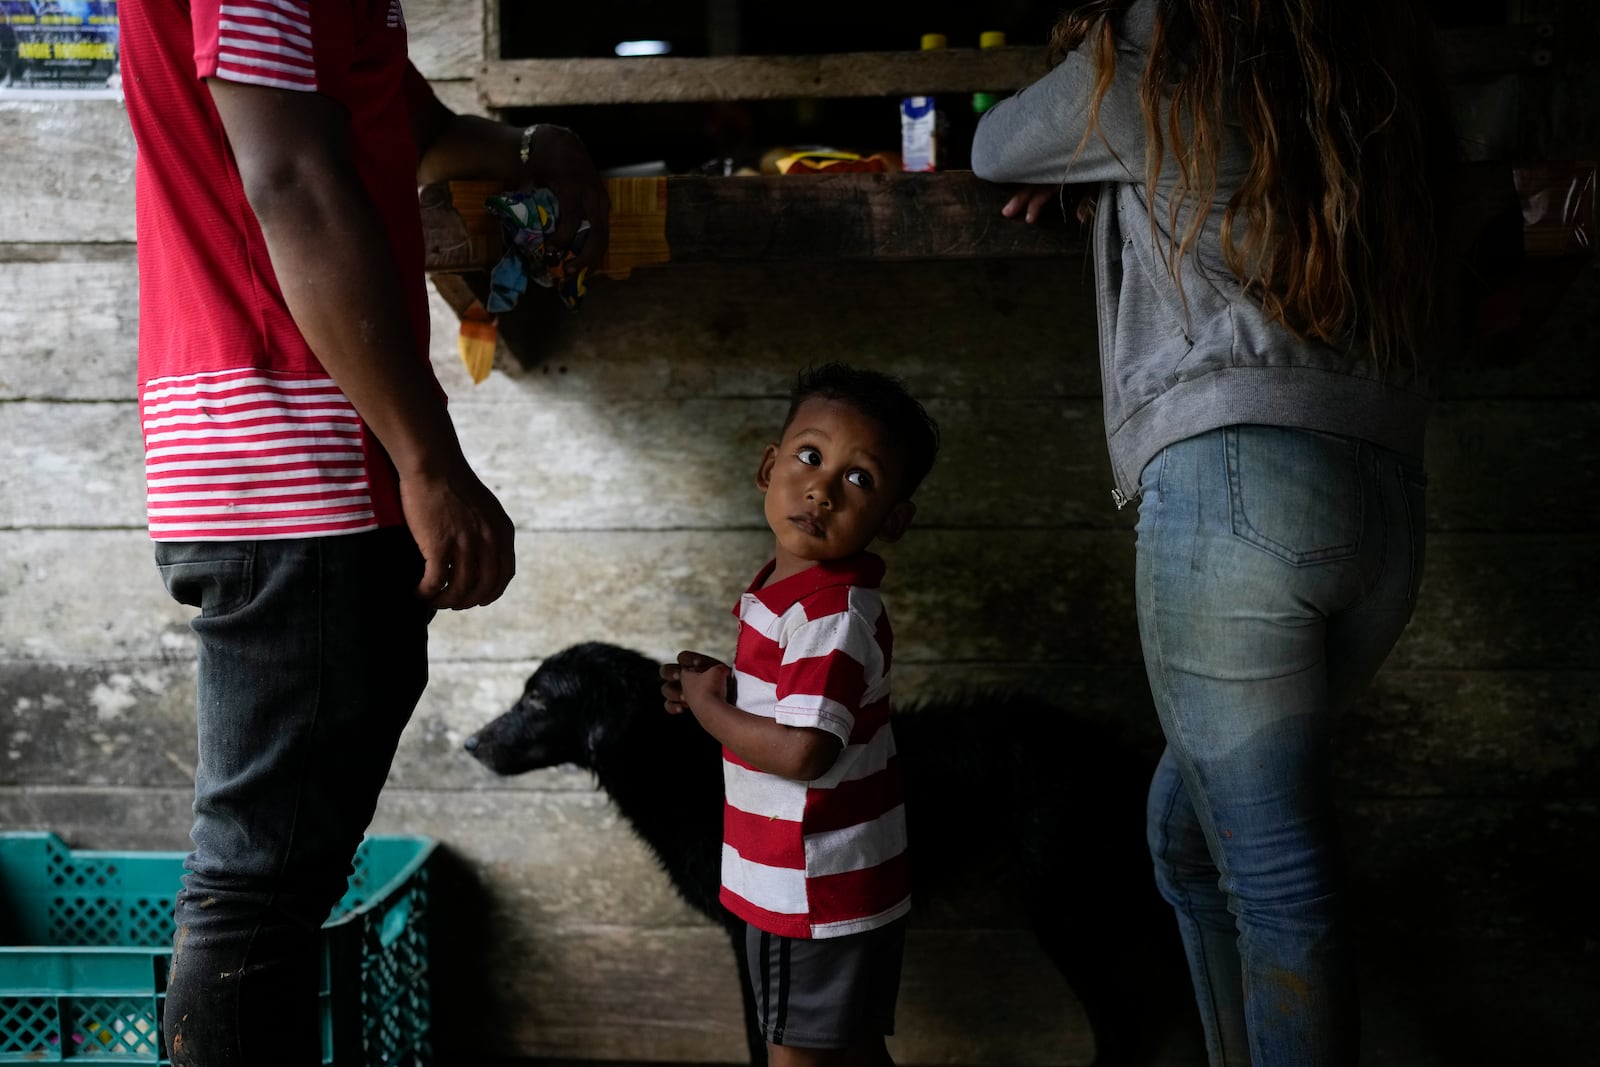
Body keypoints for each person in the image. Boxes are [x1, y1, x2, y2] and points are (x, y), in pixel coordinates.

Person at [117, 2, 609, 1063]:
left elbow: (402, 117)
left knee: (272, 875)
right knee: (259, 887)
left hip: (294, 439)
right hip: (295, 442)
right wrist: (426, 459)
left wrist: (534, 146)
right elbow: (288, 179)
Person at [971, 2, 1455, 1064]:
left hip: (1238, 485)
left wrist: (1091, 142)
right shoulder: (1375, 49)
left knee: (1273, 880)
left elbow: (991, 144)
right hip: (1381, 499)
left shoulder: (1164, 45)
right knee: (1185, 843)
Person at [659, 363, 939, 1067]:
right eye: (811, 457)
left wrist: (707, 709)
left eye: (860, 478)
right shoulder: (792, 594)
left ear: (893, 520)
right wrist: (720, 689)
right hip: (831, 876)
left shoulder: (829, 614)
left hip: (808, 883)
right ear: (768, 466)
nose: (823, 487)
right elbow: (788, 703)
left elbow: (803, 751)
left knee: (796, 1056)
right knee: (847, 1048)